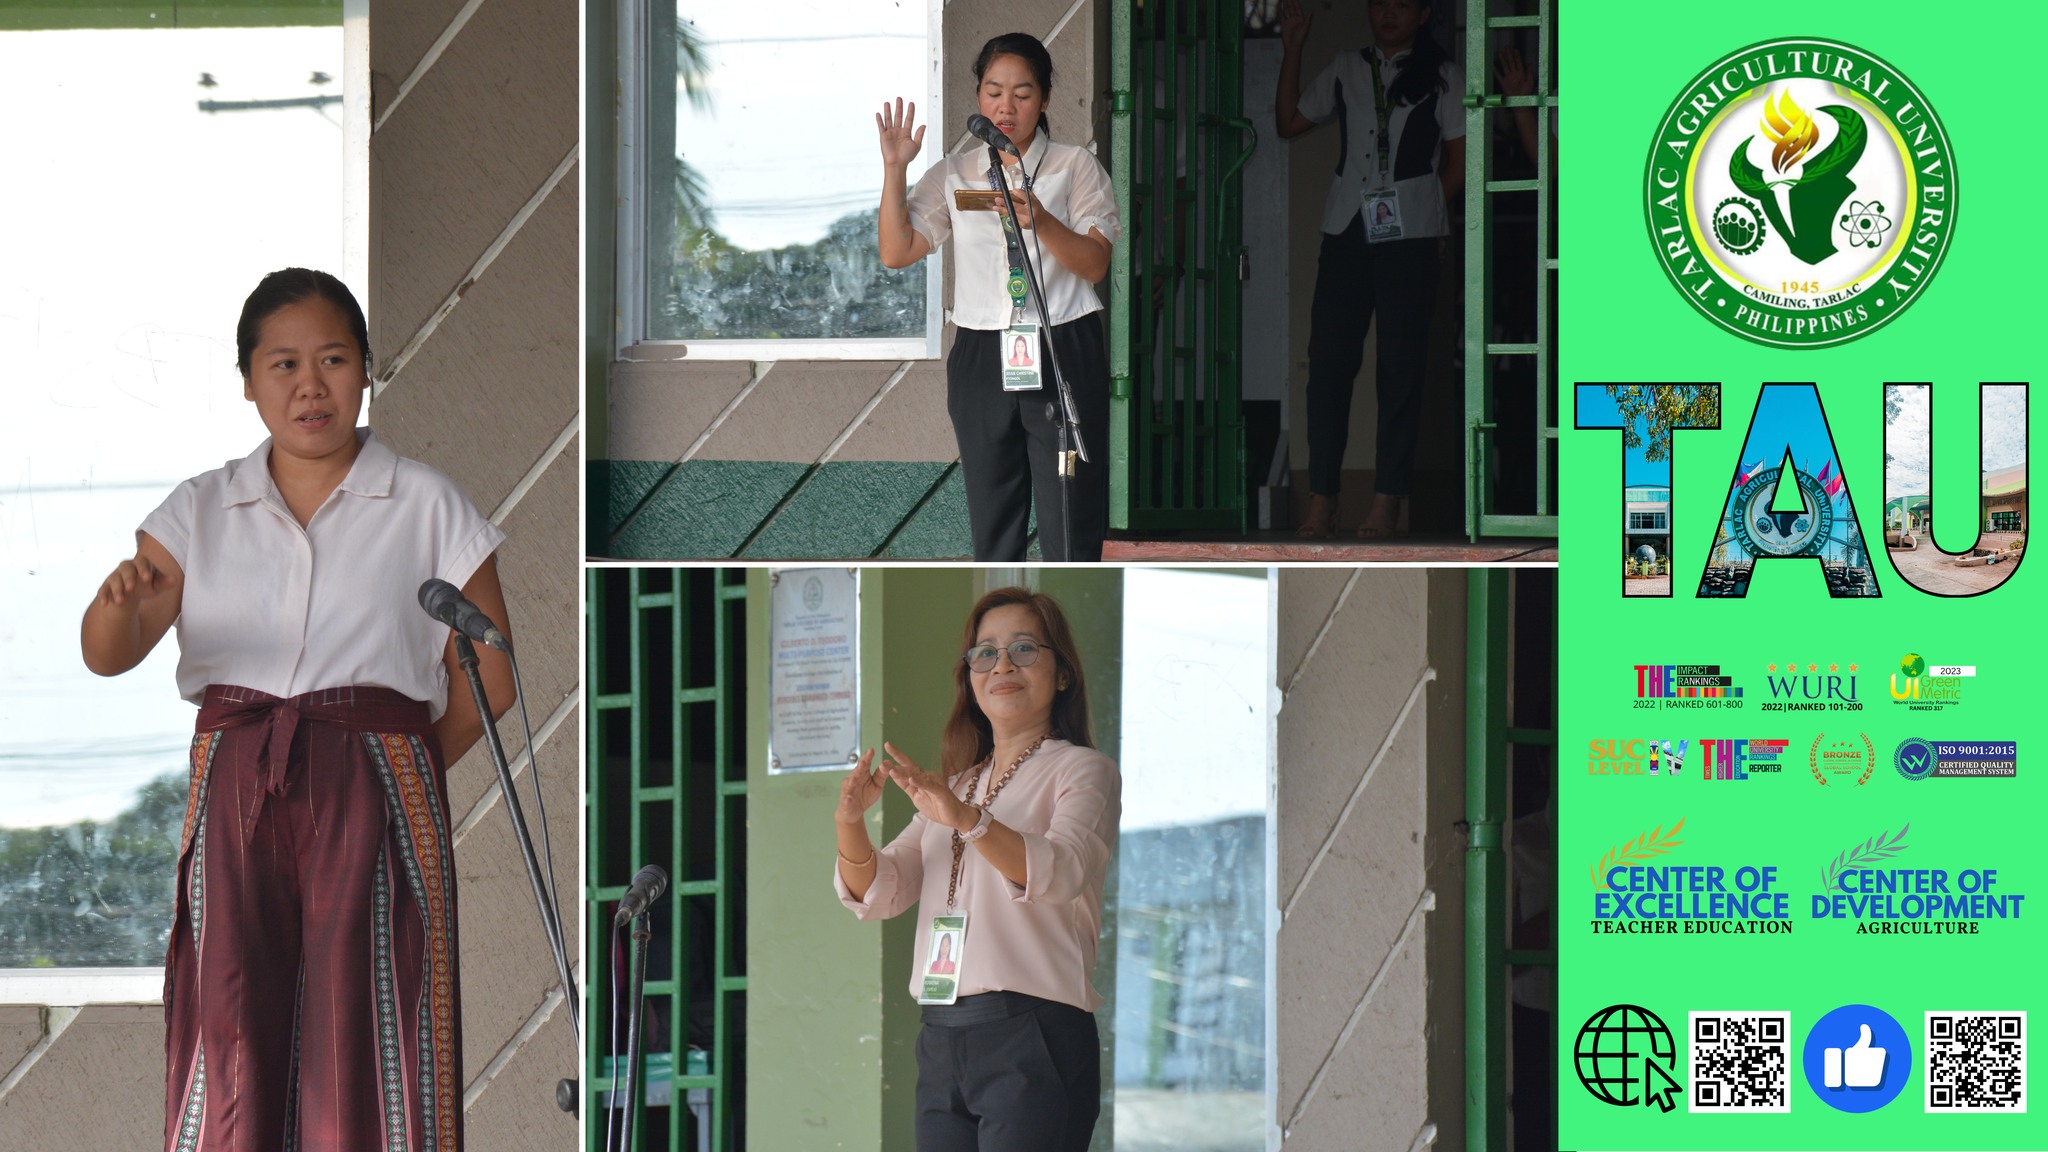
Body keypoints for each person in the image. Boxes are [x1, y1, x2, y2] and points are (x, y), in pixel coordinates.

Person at [80, 268, 514, 1152]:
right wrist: (118, 605)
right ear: (247, 380)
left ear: (366, 371)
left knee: (373, 1028)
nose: (309, 385)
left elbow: (490, 673)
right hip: (239, 779)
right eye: (283, 364)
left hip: (379, 777)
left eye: (333, 359)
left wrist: (401, 774)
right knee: (231, 1026)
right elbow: (108, 653)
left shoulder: (427, 500)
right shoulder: (200, 507)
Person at [833, 587, 1120, 1151]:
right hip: (942, 1036)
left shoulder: (1083, 771)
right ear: (969, 677)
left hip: (1033, 1029)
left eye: (1024, 648)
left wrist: (967, 819)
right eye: (984, 653)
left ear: (1062, 674)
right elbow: (883, 891)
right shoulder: (958, 785)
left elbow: (1060, 870)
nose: (1002, 665)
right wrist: (849, 823)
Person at [877, 34, 1120, 562]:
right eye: (993, 92)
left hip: (1062, 345)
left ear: (1047, 99)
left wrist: (1040, 218)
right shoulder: (955, 172)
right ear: (979, 98)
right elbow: (898, 251)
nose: (1005, 107)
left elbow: (1095, 263)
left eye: (1023, 93)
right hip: (982, 353)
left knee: (1070, 521)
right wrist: (895, 168)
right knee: (993, 523)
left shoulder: (1074, 167)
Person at [1277, 0, 1465, 539]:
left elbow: (1460, 162)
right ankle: (1323, 500)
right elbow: (1288, 122)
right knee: (1329, 364)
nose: (1388, 14)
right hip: (1347, 228)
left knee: (1400, 368)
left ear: (1424, 13)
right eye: (1380, 4)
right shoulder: (1345, 66)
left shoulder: (1444, 76)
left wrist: (1421, 210)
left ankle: (1387, 501)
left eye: (1402, 5)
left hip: (1411, 237)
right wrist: (1293, 49)